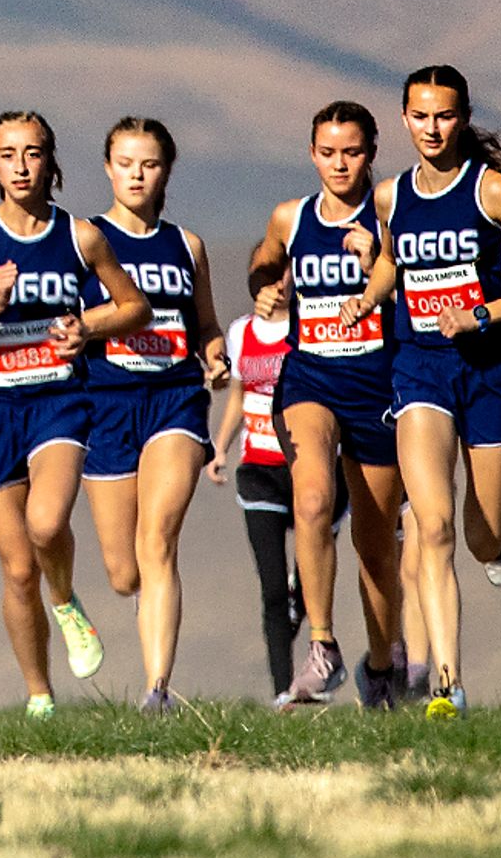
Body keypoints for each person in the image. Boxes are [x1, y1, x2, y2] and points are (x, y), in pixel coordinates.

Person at [0, 110, 146, 716]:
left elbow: (135, 307)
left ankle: (67, 599)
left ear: (52, 163)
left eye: (32, 153)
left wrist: (88, 325)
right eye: (7, 154)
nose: (21, 166)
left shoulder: (81, 237)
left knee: (46, 525)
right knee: (17, 568)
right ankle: (39, 695)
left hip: (58, 402)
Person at [372, 64, 501, 713]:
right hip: (420, 369)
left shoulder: (493, 190)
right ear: (404, 118)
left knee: (480, 536)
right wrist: (364, 291)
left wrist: (483, 312)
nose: (432, 127)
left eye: (444, 114)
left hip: (490, 372)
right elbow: (389, 264)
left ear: (463, 116)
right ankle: (447, 683)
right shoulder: (389, 197)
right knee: (433, 523)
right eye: (420, 115)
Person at [259, 102, 405, 708]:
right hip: (311, 378)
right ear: (312, 153)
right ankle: (322, 646)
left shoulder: (392, 211)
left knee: (375, 543)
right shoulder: (292, 217)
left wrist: (377, 263)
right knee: (313, 499)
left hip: (379, 382)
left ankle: (380, 665)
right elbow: (265, 263)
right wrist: (268, 288)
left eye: (351, 151)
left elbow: (410, 276)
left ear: (371, 152)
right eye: (327, 151)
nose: (339, 163)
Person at [80, 118, 218, 711]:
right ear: (108, 169)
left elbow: (206, 323)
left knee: (158, 538)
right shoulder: (86, 239)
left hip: (175, 398)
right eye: (126, 163)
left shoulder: (186, 245)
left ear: (166, 170)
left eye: (150, 163)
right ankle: (144, 606)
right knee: (123, 572)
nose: (137, 174)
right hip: (105, 404)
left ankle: (157, 690)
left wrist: (214, 354)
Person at [213, 264, 319, 701]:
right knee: (272, 590)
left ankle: (307, 603)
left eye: (283, 278)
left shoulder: (308, 326)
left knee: (313, 585)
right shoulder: (242, 332)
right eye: (266, 280)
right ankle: (283, 692)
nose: (275, 288)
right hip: (258, 468)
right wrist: (220, 447)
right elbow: (238, 393)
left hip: (309, 468)